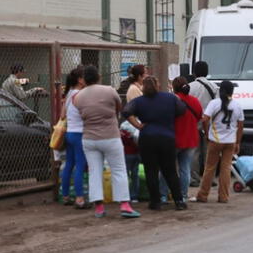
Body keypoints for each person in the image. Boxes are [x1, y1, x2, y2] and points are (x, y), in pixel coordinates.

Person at [73, 65, 140, 218]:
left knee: (94, 172)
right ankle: (124, 204)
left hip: (89, 138)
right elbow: (118, 108)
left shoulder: (78, 97)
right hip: (110, 136)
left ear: (84, 80)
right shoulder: (109, 90)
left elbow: (81, 113)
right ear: (98, 77)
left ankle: (99, 207)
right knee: (119, 170)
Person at [123, 76, 188, 211]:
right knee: (170, 171)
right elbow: (182, 109)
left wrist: (138, 125)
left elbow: (126, 111)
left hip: (147, 139)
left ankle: (155, 202)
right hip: (167, 138)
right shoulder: (170, 98)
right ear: (158, 85)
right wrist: (170, 116)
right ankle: (179, 201)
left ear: (143, 88)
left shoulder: (139, 101)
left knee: (151, 171)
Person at [195, 80, 244, 203]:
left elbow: (205, 119)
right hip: (230, 141)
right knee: (226, 169)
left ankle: (203, 195)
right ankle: (223, 196)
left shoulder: (214, 103)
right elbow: (240, 125)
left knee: (210, 168)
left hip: (215, 140)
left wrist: (207, 133)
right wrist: (238, 142)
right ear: (232, 92)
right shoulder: (237, 106)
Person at [159, 76, 202, 203]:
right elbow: (200, 117)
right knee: (185, 169)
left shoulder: (170, 100)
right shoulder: (195, 101)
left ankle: (163, 195)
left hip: (174, 139)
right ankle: (183, 196)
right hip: (190, 139)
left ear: (174, 88)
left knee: (167, 168)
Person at [61, 66, 90, 209]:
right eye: (85, 77)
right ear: (80, 80)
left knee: (69, 165)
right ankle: (80, 199)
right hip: (79, 134)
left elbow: (62, 115)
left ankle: (65, 196)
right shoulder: (81, 94)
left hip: (69, 133)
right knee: (80, 165)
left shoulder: (69, 94)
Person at [189, 61, 219, 187]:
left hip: (193, 123)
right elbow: (217, 107)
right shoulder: (214, 87)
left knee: (194, 152)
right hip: (210, 124)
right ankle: (210, 179)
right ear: (207, 72)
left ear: (194, 72)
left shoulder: (190, 87)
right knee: (209, 152)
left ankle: (194, 179)